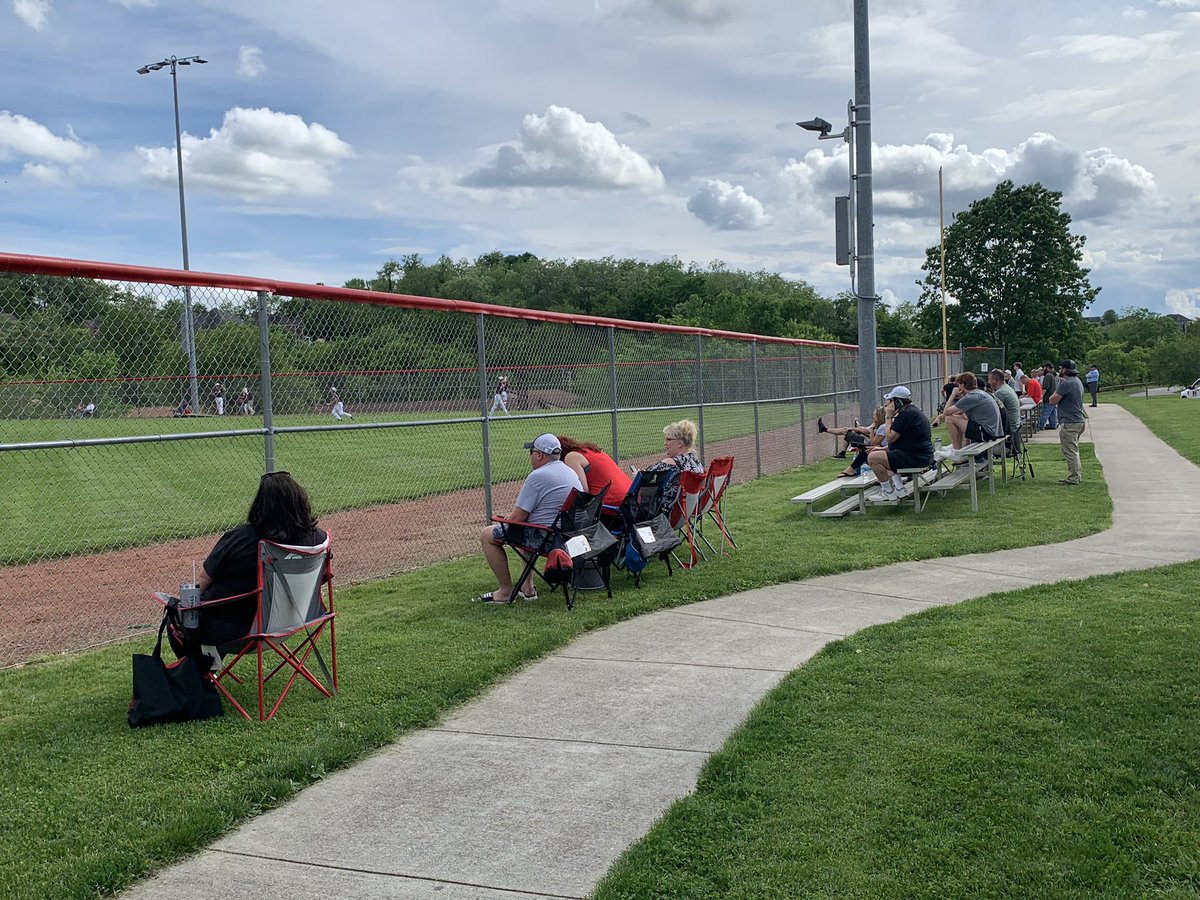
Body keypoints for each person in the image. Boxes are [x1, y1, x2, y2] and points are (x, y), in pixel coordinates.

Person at [175, 472, 326, 654]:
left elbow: (204, 581)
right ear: (300, 501)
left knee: (177, 613)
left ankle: (199, 674)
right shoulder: (318, 539)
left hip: (240, 633)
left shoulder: (241, 539)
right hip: (294, 622)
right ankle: (205, 669)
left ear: (260, 504)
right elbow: (322, 578)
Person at [476, 434, 582, 604]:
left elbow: (518, 517)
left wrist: (506, 519)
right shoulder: (570, 472)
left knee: (487, 535)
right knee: (529, 526)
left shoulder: (538, 476)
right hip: (570, 537)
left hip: (549, 540)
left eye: (531, 452)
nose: (530, 456)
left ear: (539, 455)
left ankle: (505, 591)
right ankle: (528, 588)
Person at [866, 386, 935, 502]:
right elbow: (906, 441)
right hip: (920, 455)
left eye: (890, 402)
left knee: (873, 458)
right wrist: (882, 449)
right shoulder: (912, 412)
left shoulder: (906, 415)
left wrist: (887, 416)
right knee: (881, 456)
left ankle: (888, 493)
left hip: (916, 458)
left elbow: (890, 438)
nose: (888, 406)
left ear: (897, 402)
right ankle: (899, 489)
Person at [931, 372, 1001, 459]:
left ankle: (956, 452)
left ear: (963, 385)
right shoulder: (978, 393)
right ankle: (956, 446)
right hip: (992, 432)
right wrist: (939, 417)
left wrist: (953, 395)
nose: (957, 387)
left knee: (949, 419)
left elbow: (946, 412)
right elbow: (959, 412)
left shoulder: (970, 397)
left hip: (986, 433)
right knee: (959, 417)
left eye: (958, 385)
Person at [557, 435, 631, 506]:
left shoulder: (571, 457)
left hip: (613, 505)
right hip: (631, 498)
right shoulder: (590, 450)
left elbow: (583, 492)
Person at [1048, 359, 1087, 485]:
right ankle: (1075, 475)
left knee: (1070, 451)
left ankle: (1073, 478)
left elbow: (1052, 400)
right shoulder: (1077, 381)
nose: (1059, 370)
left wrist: (1057, 388)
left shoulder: (1067, 383)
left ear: (1064, 370)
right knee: (1073, 450)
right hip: (1078, 420)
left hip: (1070, 422)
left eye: (1061, 368)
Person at [833, 406, 889, 477]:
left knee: (866, 450)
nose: (873, 416)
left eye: (874, 415)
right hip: (887, 450)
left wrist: (871, 430)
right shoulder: (882, 426)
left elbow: (873, 443)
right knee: (865, 449)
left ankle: (852, 469)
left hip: (888, 451)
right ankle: (852, 469)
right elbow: (865, 432)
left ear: (879, 416)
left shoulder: (882, 427)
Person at [988, 369, 1021, 442]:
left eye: (989, 380)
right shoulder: (1006, 388)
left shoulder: (1001, 393)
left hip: (1009, 428)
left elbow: (991, 413)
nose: (988, 382)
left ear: (995, 380)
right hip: (1014, 425)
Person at [1040, 363, 1059, 430]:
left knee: (1045, 413)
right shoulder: (1055, 376)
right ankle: (1053, 424)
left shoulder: (1048, 375)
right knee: (1053, 412)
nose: (1043, 370)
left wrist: (1041, 396)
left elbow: (1045, 387)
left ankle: (1040, 425)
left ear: (1047, 368)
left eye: (1044, 368)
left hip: (1048, 397)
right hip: (1054, 397)